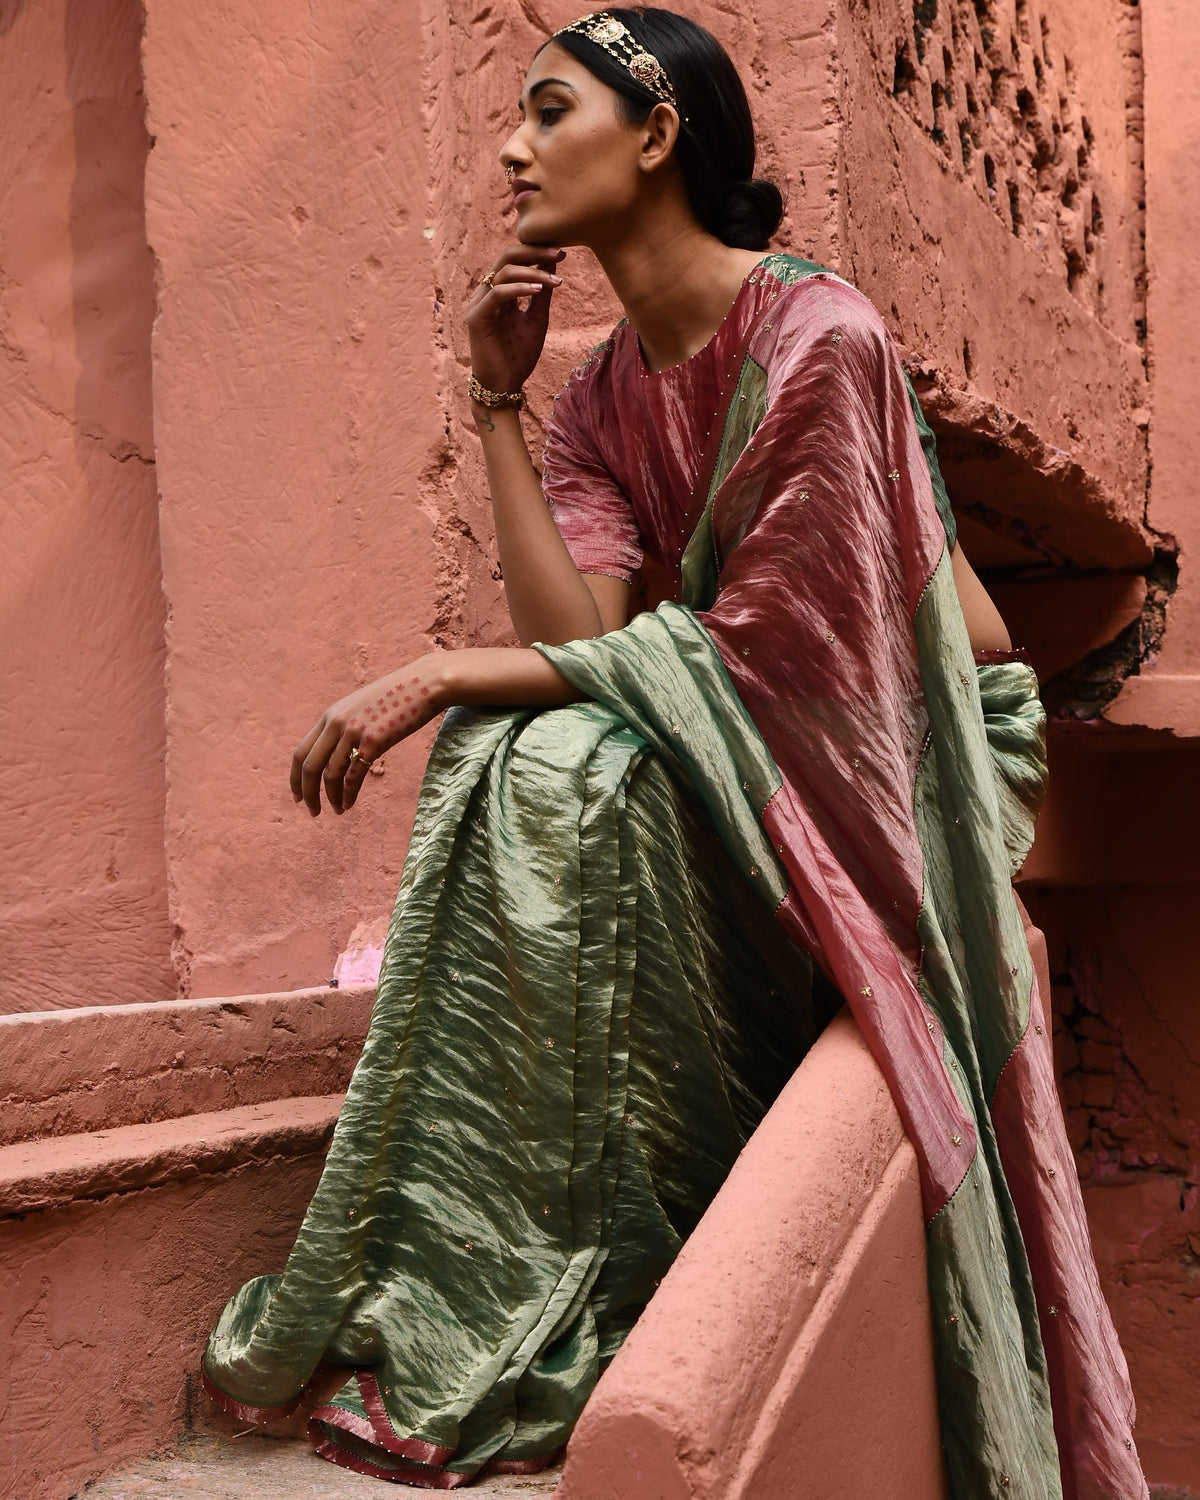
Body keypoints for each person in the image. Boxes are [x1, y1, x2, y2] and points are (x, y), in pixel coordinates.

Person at [201, 10, 1145, 1495]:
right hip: (751, 733)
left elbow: (792, 656)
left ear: (656, 135)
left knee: (553, 760)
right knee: (534, 757)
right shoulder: (599, 393)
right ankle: (529, 1285)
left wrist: (439, 670)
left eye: (549, 109)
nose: (512, 147)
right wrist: (500, 406)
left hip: (919, 747)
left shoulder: (818, 334)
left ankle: (584, 1276)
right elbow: (588, 627)